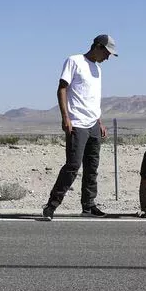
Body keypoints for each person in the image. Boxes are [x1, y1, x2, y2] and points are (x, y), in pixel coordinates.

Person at [41, 34, 117, 220]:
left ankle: (88, 206)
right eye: (106, 53)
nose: (107, 57)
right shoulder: (74, 61)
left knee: (92, 167)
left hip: (93, 124)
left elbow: (92, 98)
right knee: (73, 165)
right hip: (77, 123)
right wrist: (65, 117)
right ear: (98, 47)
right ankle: (52, 205)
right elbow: (62, 88)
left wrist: (99, 122)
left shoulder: (97, 69)